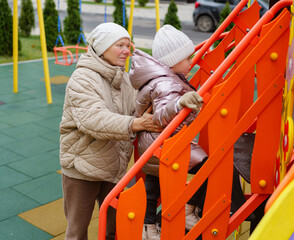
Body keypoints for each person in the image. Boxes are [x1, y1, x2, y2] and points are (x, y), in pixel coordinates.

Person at [59, 22, 163, 240]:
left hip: (114, 166)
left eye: (128, 45)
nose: (127, 50)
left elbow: (140, 105)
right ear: (102, 48)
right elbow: (93, 120)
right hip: (83, 167)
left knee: (115, 230)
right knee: (77, 232)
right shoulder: (82, 79)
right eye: (120, 45)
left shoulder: (123, 79)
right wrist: (136, 124)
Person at [129, 25, 208, 240]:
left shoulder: (164, 77)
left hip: (155, 143)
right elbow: (161, 115)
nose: (191, 63)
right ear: (173, 61)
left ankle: (148, 227)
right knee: (208, 166)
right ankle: (188, 210)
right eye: (187, 59)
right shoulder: (167, 83)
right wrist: (180, 103)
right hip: (162, 144)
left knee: (153, 189)